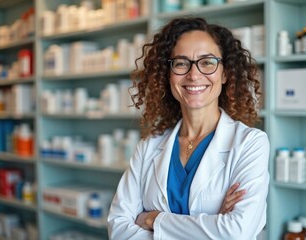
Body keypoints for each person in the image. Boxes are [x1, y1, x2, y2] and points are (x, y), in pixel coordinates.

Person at [107, 17, 270, 240]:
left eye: (207, 62)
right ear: (168, 74)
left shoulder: (250, 143)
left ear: (225, 73)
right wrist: (211, 225)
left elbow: (236, 232)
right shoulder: (149, 146)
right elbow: (118, 228)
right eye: (181, 63)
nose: (194, 75)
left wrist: (153, 219)